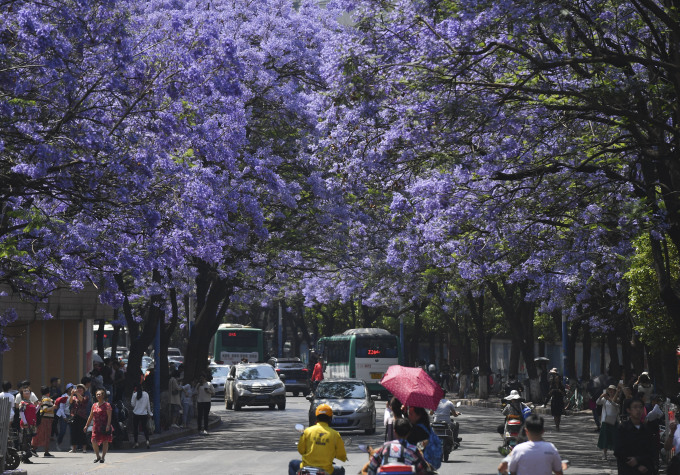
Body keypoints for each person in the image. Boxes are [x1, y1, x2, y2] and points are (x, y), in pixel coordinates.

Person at [288, 404, 347, 475]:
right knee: (340, 470)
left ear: (317, 417)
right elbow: (342, 455)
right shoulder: (335, 434)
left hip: (306, 468)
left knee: (292, 464)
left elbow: (301, 450)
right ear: (330, 418)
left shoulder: (307, 431)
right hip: (326, 470)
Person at [497, 414, 563, 475]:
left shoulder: (518, 449)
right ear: (543, 431)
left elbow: (508, 470)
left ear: (526, 431)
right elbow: (559, 471)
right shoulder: (551, 448)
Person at [614, 397, 655, 474]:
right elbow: (618, 451)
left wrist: (639, 460)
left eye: (640, 407)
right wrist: (636, 465)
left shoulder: (647, 429)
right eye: (635, 407)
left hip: (645, 469)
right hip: (627, 470)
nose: (638, 410)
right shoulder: (622, 428)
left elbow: (651, 451)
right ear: (629, 410)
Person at [84, 389, 112, 463]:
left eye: (100, 394)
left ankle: (103, 457)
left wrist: (108, 425)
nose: (98, 396)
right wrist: (86, 425)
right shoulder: (94, 405)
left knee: (105, 441)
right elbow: (90, 416)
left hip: (104, 426)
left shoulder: (107, 405)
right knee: (93, 441)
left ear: (103, 396)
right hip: (96, 426)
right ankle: (97, 456)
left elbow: (109, 416)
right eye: (97, 394)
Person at [597, 384, 621, 460]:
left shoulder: (617, 398)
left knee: (615, 437)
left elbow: (616, 405)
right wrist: (601, 396)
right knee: (605, 438)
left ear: (615, 391)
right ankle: (604, 454)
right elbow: (597, 402)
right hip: (605, 420)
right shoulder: (604, 400)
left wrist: (609, 399)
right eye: (609, 390)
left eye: (612, 390)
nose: (610, 391)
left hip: (614, 421)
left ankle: (616, 453)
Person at [31, 385, 55, 458]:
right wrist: (54, 407)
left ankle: (35, 449)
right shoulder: (47, 399)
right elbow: (45, 409)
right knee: (45, 435)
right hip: (46, 420)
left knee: (41, 434)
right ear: (48, 392)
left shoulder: (43, 399)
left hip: (44, 419)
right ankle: (44, 452)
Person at [17, 387, 38, 464]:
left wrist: (38, 406)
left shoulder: (31, 402)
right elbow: (21, 413)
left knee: (29, 440)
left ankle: (25, 457)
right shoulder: (22, 403)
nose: (27, 392)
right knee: (25, 441)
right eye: (25, 391)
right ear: (22, 394)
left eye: (28, 391)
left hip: (32, 424)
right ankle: (24, 457)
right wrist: (25, 422)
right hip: (26, 424)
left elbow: (34, 411)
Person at [69, 384, 90, 453]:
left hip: (82, 416)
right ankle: (74, 448)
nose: (79, 390)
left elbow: (82, 400)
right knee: (74, 432)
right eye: (78, 389)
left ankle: (84, 448)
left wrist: (77, 393)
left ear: (84, 390)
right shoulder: (75, 397)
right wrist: (72, 394)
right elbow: (70, 402)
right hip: (74, 416)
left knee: (82, 433)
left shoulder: (86, 397)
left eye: (81, 389)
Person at [131, 383, 152, 449]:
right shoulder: (146, 394)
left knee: (135, 429)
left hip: (136, 413)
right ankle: (147, 441)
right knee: (145, 428)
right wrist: (150, 413)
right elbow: (148, 405)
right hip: (144, 414)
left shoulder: (134, 394)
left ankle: (136, 443)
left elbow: (132, 404)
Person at [54, 383, 74, 451]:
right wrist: (64, 417)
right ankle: (58, 443)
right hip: (64, 414)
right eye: (71, 388)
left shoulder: (74, 396)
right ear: (68, 389)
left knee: (72, 431)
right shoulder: (64, 396)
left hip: (71, 415)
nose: (72, 389)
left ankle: (72, 445)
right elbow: (61, 408)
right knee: (63, 431)